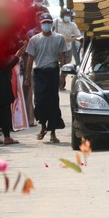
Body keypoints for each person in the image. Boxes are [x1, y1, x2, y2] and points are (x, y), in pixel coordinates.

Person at [24, 14, 66, 143]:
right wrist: (27, 77)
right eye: (44, 22)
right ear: (40, 24)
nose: (46, 25)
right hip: (39, 73)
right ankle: (42, 127)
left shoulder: (59, 38)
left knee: (53, 103)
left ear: (51, 24)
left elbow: (62, 57)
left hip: (53, 72)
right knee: (40, 102)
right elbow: (30, 59)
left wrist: (63, 75)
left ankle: (53, 132)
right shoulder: (34, 39)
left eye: (48, 22)